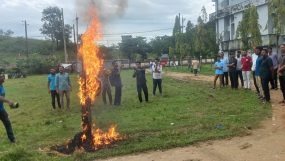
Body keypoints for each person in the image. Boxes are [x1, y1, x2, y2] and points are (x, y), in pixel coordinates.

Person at [0, 75, 16, 143]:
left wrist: (7, 103)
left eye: (3, 77)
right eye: (1, 77)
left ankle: (12, 139)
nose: (3, 78)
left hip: (1, 109)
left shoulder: (1, 86)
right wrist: (8, 101)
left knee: (7, 123)